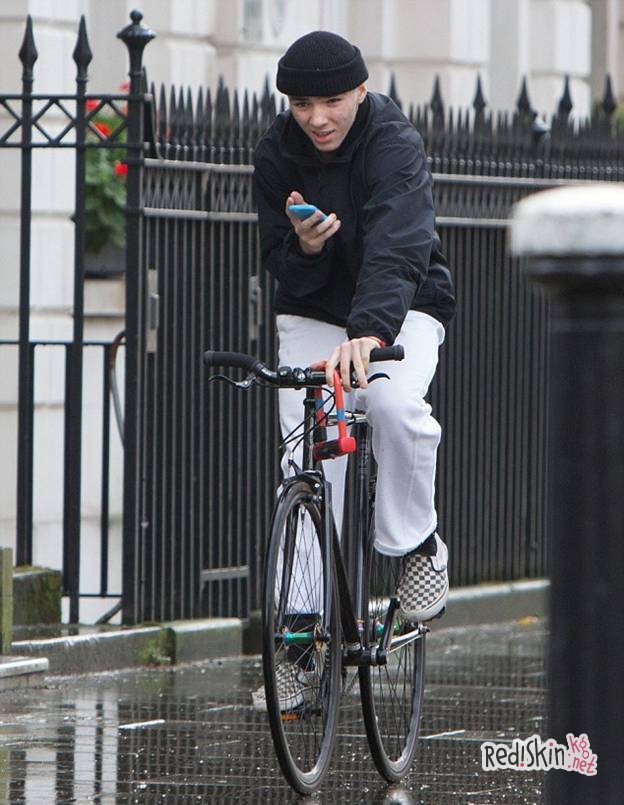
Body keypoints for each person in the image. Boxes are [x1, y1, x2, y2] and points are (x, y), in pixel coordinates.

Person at [252, 31, 456, 710]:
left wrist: (369, 333)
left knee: (393, 407)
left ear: (361, 91)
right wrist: (306, 248)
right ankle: (301, 639)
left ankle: (418, 546)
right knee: (308, 458)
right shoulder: (275, 152)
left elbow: (400, 243)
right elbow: (279, 260)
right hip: (314, 314)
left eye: (333, 101)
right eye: (301, 104)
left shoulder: (393, 144)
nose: (317, 118)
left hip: (404, 307)